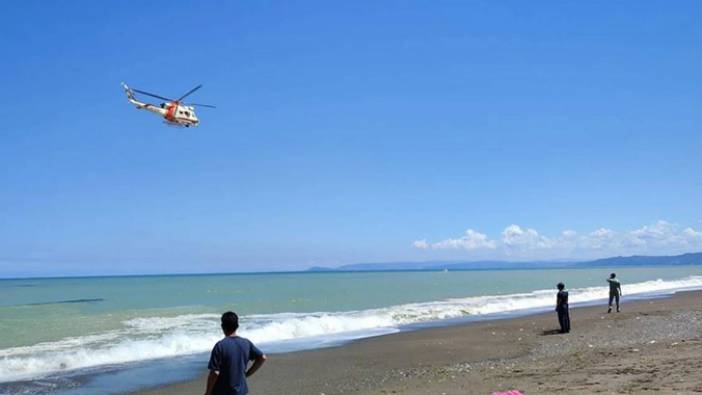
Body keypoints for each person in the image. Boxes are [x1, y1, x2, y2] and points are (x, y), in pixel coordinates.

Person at [205, 311, 267, 395]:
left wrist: (208, 392)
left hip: (223, 391)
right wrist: (247, 374)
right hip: (241, 391)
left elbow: (215, 372)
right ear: (237, 326)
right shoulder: (246, 343)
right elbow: (262, 358)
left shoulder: (220, 346)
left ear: (222, 326)